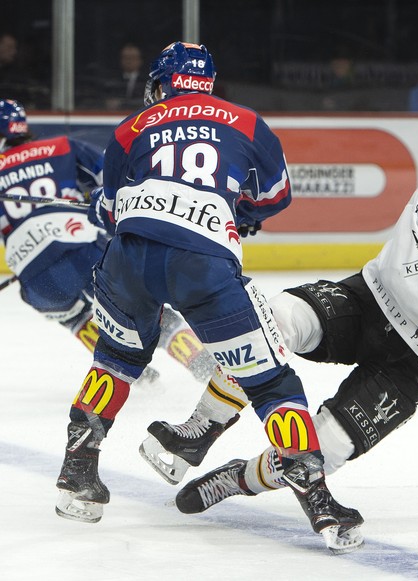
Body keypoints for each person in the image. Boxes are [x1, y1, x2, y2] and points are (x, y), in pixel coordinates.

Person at [140, 121, 418, 523]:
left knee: (325, 451)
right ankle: (201, 429)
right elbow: (408, 267)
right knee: (272, 320)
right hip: (369, 304)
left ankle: (238, 479)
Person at [53, 41, 362, 554]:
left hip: (129, 262)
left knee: (114, 362)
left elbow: (107, 211)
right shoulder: (244, 121)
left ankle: (77, 477)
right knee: (269, 383)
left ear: (162, 83)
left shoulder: (134, 126)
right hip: (202, 262)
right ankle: (321, 504)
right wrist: (237, 213)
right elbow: (276, 196)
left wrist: (102, 206)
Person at [0, 98, 211, 384]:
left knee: (71, 316)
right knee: (142, 308)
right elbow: (113, 178)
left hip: (34, 274)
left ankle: (129, 373)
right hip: (83, 248)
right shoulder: (61, 146)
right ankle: (198, 361)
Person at [103, 43, 148, 111]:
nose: (129, 61)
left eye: (132, 58)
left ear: (140, 60)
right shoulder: (113, 81)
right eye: (126, 58)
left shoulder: (147, 81)